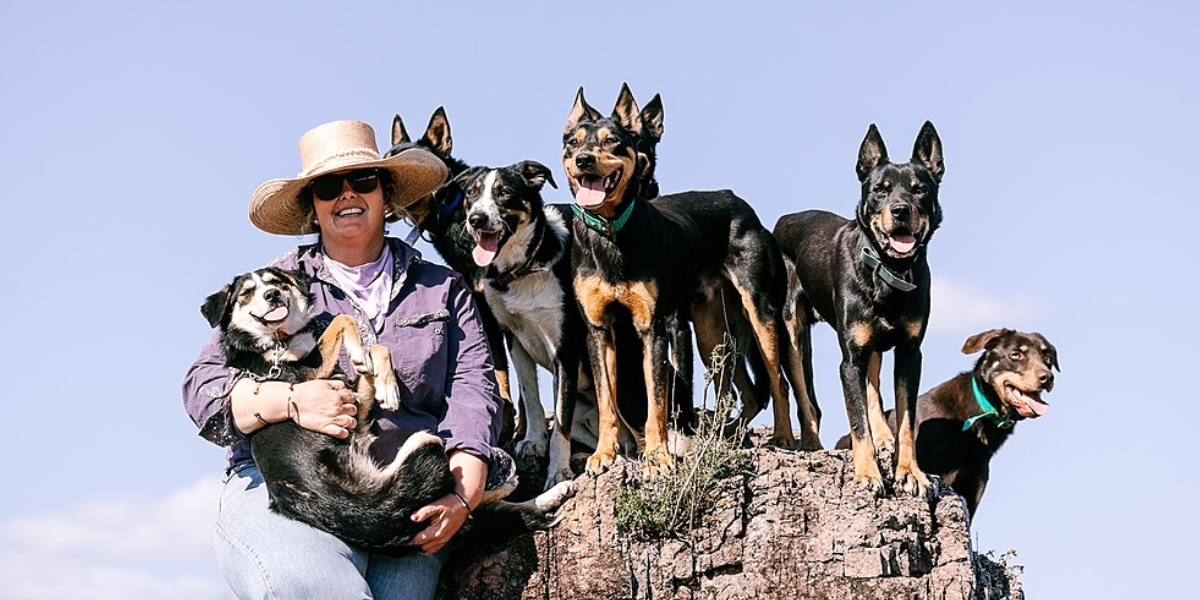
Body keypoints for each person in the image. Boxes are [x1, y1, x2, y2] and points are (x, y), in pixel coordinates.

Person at [183, 120, 510, 599]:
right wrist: (289, 401)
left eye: (362, 180)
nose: (346, 195)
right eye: (327, 186)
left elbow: (473, 389)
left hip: (402, 487)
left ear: (387, 194)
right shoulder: (276, 283)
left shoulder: (443, 288)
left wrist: (463, 493)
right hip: (292, 486)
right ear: (312, 207)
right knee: (308, 586)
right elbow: (202, 386)